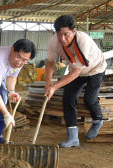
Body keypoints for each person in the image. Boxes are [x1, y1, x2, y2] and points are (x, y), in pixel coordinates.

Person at [45, 15, 107, 147]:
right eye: (59, 34)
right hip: (76, 69)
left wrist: (54, 87)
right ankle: (73, 137)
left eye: (66, 34)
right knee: (68, 98)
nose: (62, 39)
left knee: (89, 99)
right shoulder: (54, 42)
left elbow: (75, 73)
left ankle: (98, 121)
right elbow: (50, 62)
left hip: (96, 69)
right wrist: (48, 82)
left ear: (74, 31)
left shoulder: (83, 40)